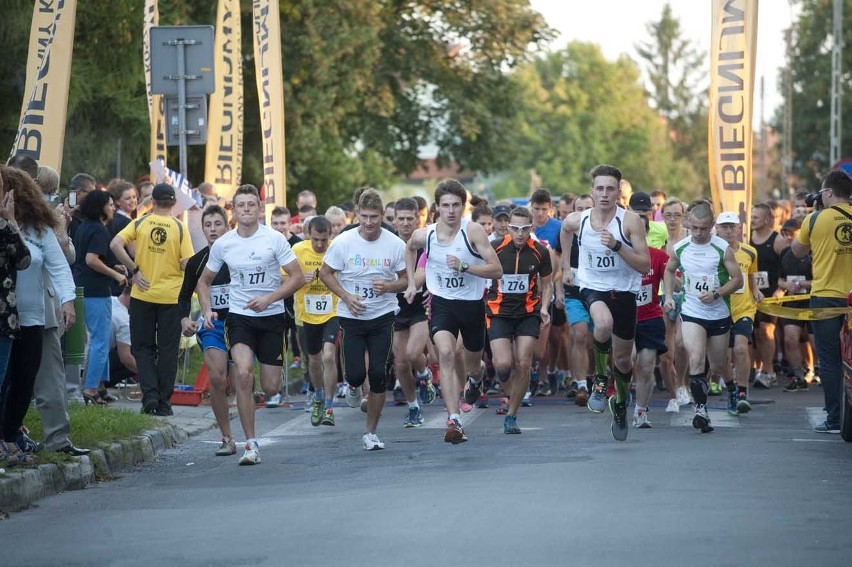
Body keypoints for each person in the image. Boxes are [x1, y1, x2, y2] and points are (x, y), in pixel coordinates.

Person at [197, 185, 303, 464]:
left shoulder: (274, 239)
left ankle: (258, 388)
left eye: (251, 204)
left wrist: (270, 298)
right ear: (234, 209)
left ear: (259, 208)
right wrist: (206, 309)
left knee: (270, 388)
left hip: (272, 318)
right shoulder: (224, 244)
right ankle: (250, 444)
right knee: (242, 374)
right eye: (241, 205)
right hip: (239, 318)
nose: (246, 209)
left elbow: (296, 277)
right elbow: (204, 280)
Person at [404, 179, 503, 444]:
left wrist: (465, 268)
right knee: (445, 354)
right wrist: (413, 282)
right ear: (437, 207)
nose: (450, 211)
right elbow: (410, 247)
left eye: (456, 205)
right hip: (443, 304)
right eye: (445, 205)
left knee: (473, 366)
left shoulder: (473, 232)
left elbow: (496, 270)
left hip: (471, 305)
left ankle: (476, 379)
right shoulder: (427, 234)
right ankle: (454, 420)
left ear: (463, 207)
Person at [560, 164, 650, 442]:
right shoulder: (580, 220)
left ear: (619, 192)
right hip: (592, 287)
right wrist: (566, 265)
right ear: (592, 191)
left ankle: (620, 404)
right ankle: (599, 381)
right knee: (602, 323)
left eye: (610, 188)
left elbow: (645, 265)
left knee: (623, 360)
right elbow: (564, 230)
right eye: (599, 188)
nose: (604, 194)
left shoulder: (630, 222)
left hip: (624, 292)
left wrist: (618, 247)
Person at [320, 189, 407, 450]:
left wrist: (389, 287)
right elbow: (325, 274)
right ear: (357, 214)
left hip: (382, 316)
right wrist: (346, 296)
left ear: (382, 215)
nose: (369, 223)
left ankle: (370, 432)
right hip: (352, 317)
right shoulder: (344, 242)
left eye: (374, 217)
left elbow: (405, 280)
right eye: (364, 216)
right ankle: (355, 386)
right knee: (356, 375)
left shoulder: (395, 244)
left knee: (379, 374)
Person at [0, 166, 75, 466]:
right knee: (3, 379)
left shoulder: (39, 229)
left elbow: (57, 265)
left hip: (31, 315)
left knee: (24, 378)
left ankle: (9, 435)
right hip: (5, 317)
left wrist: (67, 301)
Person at [110, 183, 194, 416]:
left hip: (142, 294)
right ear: (174, 204)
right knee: (168, 350)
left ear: (153, 202)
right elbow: (187, 262)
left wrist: (133, 270)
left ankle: (149, 396)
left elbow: (115, 244)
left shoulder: (139, 223)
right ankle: (165, 403)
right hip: (171, 296)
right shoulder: (179, 228)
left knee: (142, 348)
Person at [664, 202, 743, 433]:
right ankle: (701, 410)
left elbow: (737, 280)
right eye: (695, 228)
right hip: (692, 311)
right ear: (689, 224)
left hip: (718, 312)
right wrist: (669, 295)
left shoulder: (722, 248)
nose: (698, 233)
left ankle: (731, 387)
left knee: (718, 364)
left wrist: (717, 293)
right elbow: (669, 270)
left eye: (703, 229)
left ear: (711, 226)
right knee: (696, 358)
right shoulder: (680, 247)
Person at [791, 169, 852, 433]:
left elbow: (796, 252)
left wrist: (814, 215)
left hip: (826, 296)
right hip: (851, 298)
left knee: (829, 359)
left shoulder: (816, 219)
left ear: (827, 192)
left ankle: (834, 417)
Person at [486, 206, 552, 433]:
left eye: (525, 229)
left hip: (528, 313)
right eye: (515, 228)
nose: (520, 233)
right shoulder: (494, 248)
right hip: (499, 312)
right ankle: (506, 388)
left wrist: (544, 307)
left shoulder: (540, 252)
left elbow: (548, 283)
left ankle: (512, 416)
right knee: (503, 364)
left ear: (531, 228)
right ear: (508, 228)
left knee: (524, 362)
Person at [179, 205, 237, 456]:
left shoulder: (239, 254)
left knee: (238, 379)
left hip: (240, 324)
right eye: (208, 225)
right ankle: (227, 437)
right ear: (202, 229)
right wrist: (184, 319)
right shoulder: (197, 261)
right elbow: (183, 297)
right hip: (212, 325)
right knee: (216, 377)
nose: (213, 229)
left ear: (227, 226)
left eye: (217, 224)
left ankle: (239, 386)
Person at [73, 190, 129, 405]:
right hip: (96, 291)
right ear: (100, 207)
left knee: (101, 338)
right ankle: (90, 388)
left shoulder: (85, 226)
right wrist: (115, 274)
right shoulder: (99, 229)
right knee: (99, 341)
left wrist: (113, 264)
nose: (113, 208)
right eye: (110, 204)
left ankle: (101, 385)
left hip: (84, 288)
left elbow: (90, 257)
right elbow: (91, 259)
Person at [292, 216, 340, 427]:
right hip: (307, 314)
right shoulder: (298, 251)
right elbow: (283, 279)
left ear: (330, 235)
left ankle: (329, 405)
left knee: (328, 355)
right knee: (313, 360)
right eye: (315, 240)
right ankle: (319, 397)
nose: (320, 245)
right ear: (307, 235)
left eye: (324, 239)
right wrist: (302, 278)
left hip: (333, 310)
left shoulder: (337, 249)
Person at [391, 198, 434, 428]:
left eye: (410, 219)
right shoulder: (387, 244)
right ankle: (413, 407)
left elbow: (425, 272)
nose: (406, 223)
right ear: (394, 220)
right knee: (399, 363)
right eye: (401, 219)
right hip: (395, 308)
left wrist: (414, 286)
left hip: (419, 306)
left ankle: (424, 373)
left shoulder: (426, 242)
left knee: (412, 353)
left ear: (418, 219)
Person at [715, 211, 762, 414]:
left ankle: (743, 392)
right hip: (719, 310)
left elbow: (751, 275)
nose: (728, 231)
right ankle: (732, 388)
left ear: (739, 229)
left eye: (732, 226)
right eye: (724, 227)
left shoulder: (750, 251)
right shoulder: (712, 252)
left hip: (744, 308)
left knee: (741, 349)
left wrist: (755, 290)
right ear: (716, 229)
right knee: (720, 359)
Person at [559, 194, 594, 406]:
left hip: (599, 290)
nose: (582, 212)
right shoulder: (568, 231)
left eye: (586, 208)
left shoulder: (604, 230)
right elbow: (557, 261)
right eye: (578, 208)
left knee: (599, 338)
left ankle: (599, 380)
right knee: (579, 334)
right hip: (575, 289)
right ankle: (581, 384)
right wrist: (563, 273)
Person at [632, 243, 669, 428]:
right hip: (623, 318)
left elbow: (674, 282)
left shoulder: (658, 256)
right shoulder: (615, 253)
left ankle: (640, 411)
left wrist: (674, 280)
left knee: (646, 367)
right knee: (625, 361)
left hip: (650, 318)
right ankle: (620, 401)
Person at [750, 202, 786, 388]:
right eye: (751, 216)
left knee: (766, 331)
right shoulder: (747, 238)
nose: (752, 220)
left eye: (756, 217)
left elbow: (789, 265)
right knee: (755, 333)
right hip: (751, 294)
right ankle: (758, 368)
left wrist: (782, 288)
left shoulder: (777, 239)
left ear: (766, 219)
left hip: (771, 295)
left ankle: (769, 371)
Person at [660, 198, 691, 412]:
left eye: (677, 215)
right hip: (663, 296)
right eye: (668, 215)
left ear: (683, 217)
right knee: (667, 350)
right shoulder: (658, 239)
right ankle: (672, 392)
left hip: (688, 296)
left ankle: (681, 384)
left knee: (681, 344)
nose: (672, 220)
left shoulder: (689, 238)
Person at [777, 218, 814, 392]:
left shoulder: (815, 251)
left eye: (792, 233)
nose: (788, 237)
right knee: (790, 339)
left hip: (815, 303)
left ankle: (825, 374)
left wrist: (803, 285)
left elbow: (825, 280)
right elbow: (780, 279)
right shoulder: (785, 254)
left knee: (817, 343)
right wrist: (784, 286)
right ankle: (798, 377)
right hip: (793, 303)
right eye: (785, 234)